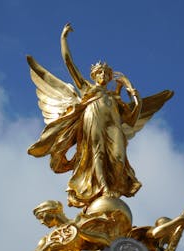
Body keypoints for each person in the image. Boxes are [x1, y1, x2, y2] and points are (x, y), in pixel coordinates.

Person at [27, 23, 173, 208]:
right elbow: (69, 63)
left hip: (113, 126)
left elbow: (132, 119)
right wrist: (63, 38)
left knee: (118, 158)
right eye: (99, 72)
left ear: (110, 76)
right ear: (94, 76)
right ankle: (103, 187)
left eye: (106, 73)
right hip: (92, 118)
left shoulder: (116, 99)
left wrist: (133, 93)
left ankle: (114, 184)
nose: (103, 75)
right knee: (98, 154)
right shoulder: (87, 89)